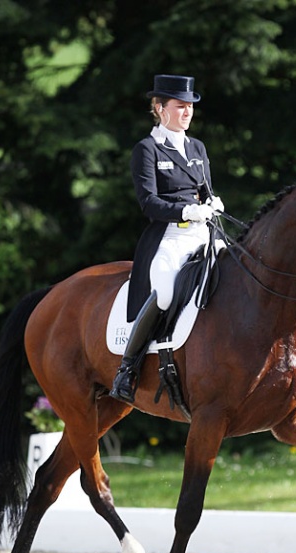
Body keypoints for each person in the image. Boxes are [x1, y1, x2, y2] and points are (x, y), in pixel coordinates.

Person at [110, 74, 225, 403]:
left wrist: (211, 204)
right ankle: (127, 370)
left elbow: (206, 191)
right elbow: (149, 202)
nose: (187, 112)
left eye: (190, 106)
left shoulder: (197, 147)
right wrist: (186, 212)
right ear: (160, 108)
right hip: (170, 237)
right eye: (180, 106)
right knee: (163, 294)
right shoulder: (147, 150)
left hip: (206, 233)